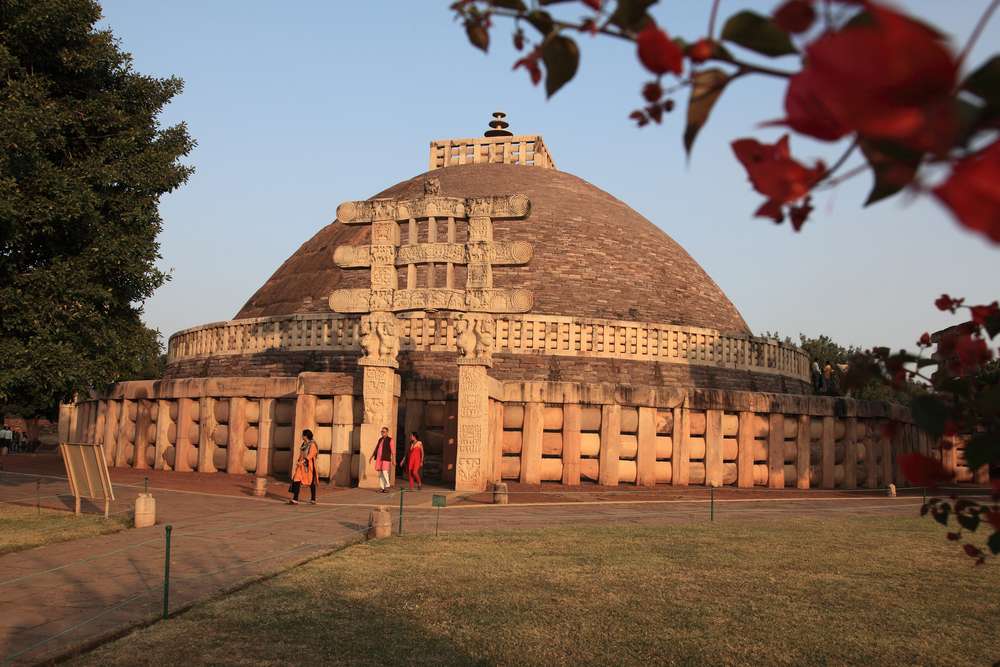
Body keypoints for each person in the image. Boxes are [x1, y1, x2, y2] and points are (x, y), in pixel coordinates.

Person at [288, 429, 318, 505]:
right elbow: (301, 454)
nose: (302, 436)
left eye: (303, 435)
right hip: (301, 466)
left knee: (311, 482)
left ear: (306, 436)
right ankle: (295, 499)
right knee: (296, 479)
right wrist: (299, 461)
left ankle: (313, 498)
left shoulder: (312, 444)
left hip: (308, 466)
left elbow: (311, 455)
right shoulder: (304, 444)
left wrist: (303, 461)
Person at [369, 426, 394, 493]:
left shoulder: (390, 440)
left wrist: (393, 460)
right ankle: (382, 488)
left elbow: (393, 451)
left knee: (384, 471)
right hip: (379, 458)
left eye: (384, 432)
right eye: (381, 431)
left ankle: (388, 484)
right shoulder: (380, 439)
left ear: (387, 432)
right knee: (380, 474)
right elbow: (376, 448)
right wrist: (372, 456)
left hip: (386, 458)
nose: (382, 433)